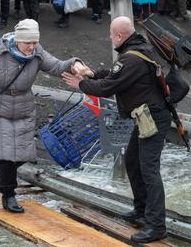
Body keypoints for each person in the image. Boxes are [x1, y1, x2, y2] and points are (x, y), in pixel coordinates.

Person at [61, 16, 170, 243]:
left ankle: (157, 226)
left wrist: (80, 84)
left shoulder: (131, 59)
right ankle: (141, 210)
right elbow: (115, 76)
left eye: (111, 34)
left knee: (149, 170)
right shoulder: (136, 49)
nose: (109, 38)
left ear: (119, 35)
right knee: (132, 161)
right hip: (146, 118)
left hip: (152, 119)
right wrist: (92, 75)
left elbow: (108, 87)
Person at [0, 19, 84, 213]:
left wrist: (74, 64)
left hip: (24, 109)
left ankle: (3, 183)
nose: (32, 46)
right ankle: (8, 194)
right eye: (28, 43)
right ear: (18, 40)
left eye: (35, 42)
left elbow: (56, 67)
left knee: (23, 154)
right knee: (6, 156)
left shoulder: (37, 52)